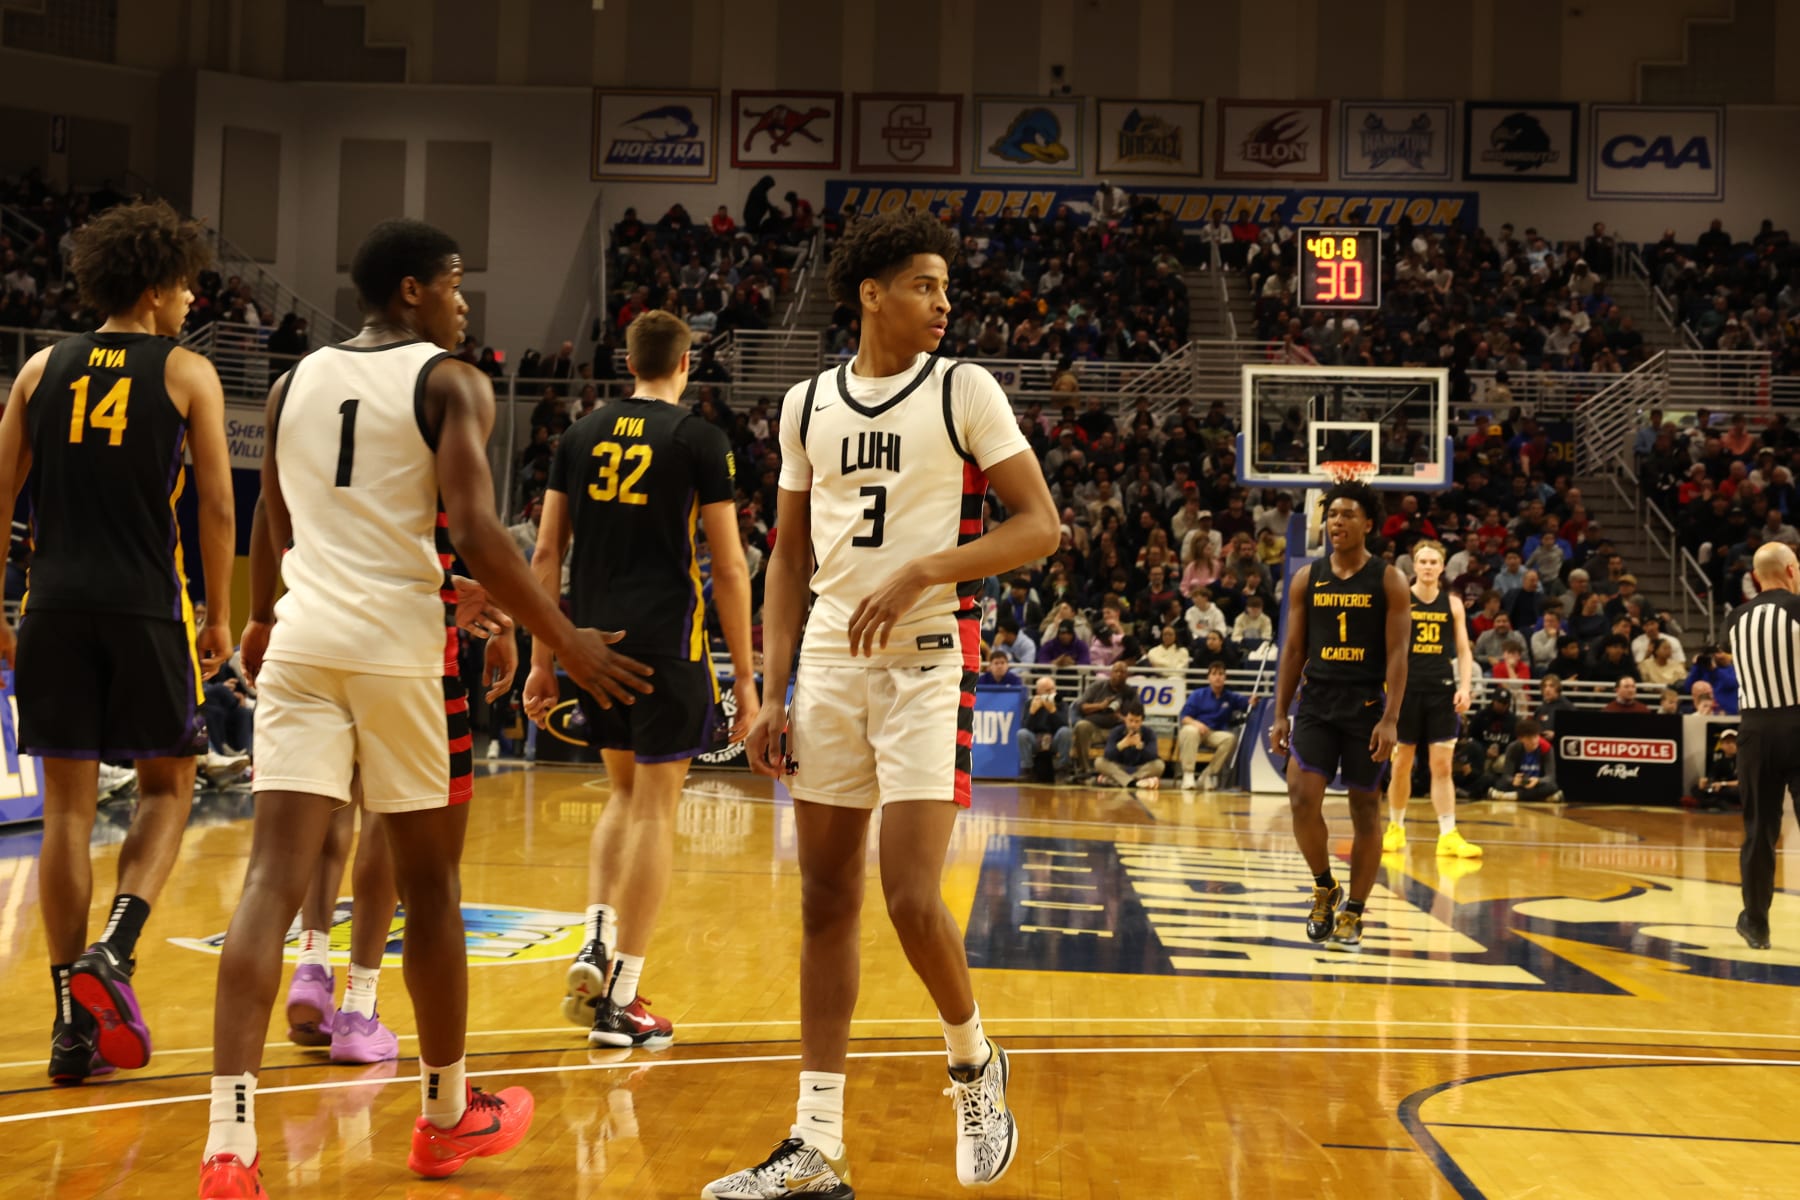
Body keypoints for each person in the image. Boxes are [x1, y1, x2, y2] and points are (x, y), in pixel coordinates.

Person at [199, 219, 647, 1197]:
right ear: (411, 291)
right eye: (451, 285)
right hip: (401, 655)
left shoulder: (289, 383)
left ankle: (229, 1145)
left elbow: (274, 516)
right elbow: (480, 531)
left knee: (270, 880)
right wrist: (560, 638)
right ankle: (445, 1116)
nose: (462, 304)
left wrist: (267, 622)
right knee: (430, 888)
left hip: (305, 641)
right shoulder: (452, 382)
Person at [716, 209, 1055, 1198]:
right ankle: (815, 1144)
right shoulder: (809, 402)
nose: (944, 304)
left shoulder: (965, 389)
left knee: (910, 896)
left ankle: (973, 1062)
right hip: (825, 663)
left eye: (945, 289)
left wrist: (927, 570)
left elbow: (1041, 526)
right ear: (872, 294)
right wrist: (767, 692)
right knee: (825, 902)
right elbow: (786, 556)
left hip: (925, 659)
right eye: (924, 285)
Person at [0, 200, 235, 1087]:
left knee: (65, 811)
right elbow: (216, 504)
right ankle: (118, 951)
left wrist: (0, 606)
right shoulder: (186, 374)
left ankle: (69, 1024)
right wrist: (217, 612)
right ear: (151, 287)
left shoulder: (36, 369)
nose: (188, 301)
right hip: (145, 607)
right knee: (169, 786)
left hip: (53, 607)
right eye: (183, 286)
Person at [523, 310, 757, 1049]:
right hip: (666, 647)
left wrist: (543, 659)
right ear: (686, 363)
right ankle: (622, 994)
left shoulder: (579, 434)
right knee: (657, 810)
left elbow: (546, 552)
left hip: (590, 645)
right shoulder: (699, 438)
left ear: (627, 361)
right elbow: (726, 566)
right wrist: (746, 680)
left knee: (622, 797)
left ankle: (593, 937)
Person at [1269, 480, 1410, 949]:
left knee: (1365, 810)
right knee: (1300, 797)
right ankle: (1325, 885)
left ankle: (1355, 910)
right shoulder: (1307, 578)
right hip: (1317, 704)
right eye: (1332, 515)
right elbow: (1292, 651)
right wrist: (1280, 712)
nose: (1337, 522)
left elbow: (1397, 655)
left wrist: (1390, 718)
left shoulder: (1388, 579)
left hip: (1366, 707)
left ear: (1368, 524)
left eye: (1348, 515)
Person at [1383, 540, 1480, 859]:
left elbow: (1464, 651)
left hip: (1440, 690)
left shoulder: (1452, 604)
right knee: (1401, 765)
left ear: (1442, 567)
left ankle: (1448, 833)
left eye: (1433, 562)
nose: (1427, 566)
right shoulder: (1399, 599)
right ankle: (1395, 827)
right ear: (1413, 565)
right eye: (1422, 561)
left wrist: (1465, 687)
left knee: (1442, 766)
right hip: (1405, 692)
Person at [1724, 543, 1800, 950]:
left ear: (1756, 577)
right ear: (1791, 570)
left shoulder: (1735, 619)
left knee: (1759, 832)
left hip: (1754, 731)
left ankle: (1756, 924)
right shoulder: (1798, 607)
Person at [1175, 661, 1248, 791]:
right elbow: (1184, 717)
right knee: (1190, 731)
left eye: (1221, 674)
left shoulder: (1230, 696)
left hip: (1213, 733)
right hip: (1195, 730)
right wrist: (1197, 724)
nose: (1218, 677)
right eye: (1214, 674)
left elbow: (1246, 703)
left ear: (1225, 677)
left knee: (1230, 739)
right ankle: (1188, 775)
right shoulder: (1197, 694)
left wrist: (1252, 700)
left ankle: (1208, 774)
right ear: (1208, 677)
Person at [1491, 717, 1561, 802]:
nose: (1534, 741)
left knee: (1552, 786)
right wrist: (1513, 780)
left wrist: (1538, 780)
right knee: (1500, 784)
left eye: (1536, 736)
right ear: (1521, 738)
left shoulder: (1546, 748)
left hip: (1536, 783)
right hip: (1520, 783)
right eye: (1530, 738)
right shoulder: (1513, 748)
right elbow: (1506, 775)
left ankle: (1514, 796)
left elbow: (1550, 777)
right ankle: (1541, 797)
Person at [1097, 700, 1163, 789]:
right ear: (1125, 719)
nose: (1133, 724)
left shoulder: (1149, 733)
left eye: (1137, 721)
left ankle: (1119, 782)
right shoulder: (1116, 731)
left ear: (1142, 721)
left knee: (1159, 765)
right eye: (1130, 720)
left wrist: (1140, 746)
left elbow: (1153, 756)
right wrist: (1122, 745)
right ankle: (1136, 783)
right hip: (1120, 767)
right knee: (1099, 762)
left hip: (1140, 768)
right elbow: (1107, 754)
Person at [1017, 675, 1072, 779]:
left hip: (1054, 740)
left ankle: (1063, 769)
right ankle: (1027, 770)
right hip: (1036, 739)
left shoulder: (1061, 704)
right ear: (1039, 692)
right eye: (1047, 690)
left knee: (1065, 731)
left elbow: (1064, 725)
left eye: (1053, 689)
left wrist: (1053, 711)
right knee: (1022, 734)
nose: (1052, 692)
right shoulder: (1030, 703)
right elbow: (1025, 727)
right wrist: (1032, 712)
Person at [1694, 728, 1740, 811]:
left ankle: (1714, 803)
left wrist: (1723, 783)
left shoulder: (1744, 761)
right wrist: (1705, 782)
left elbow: (1743, 782)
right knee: (1695, 788)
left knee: (1737, 791)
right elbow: (1712, 777)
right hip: (1721, 789)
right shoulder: (1719, 762)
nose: (1731, 745)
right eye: (1728, 742)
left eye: (1734, 742)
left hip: (1735, 789)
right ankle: (1719, 803)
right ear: (1721, 745)